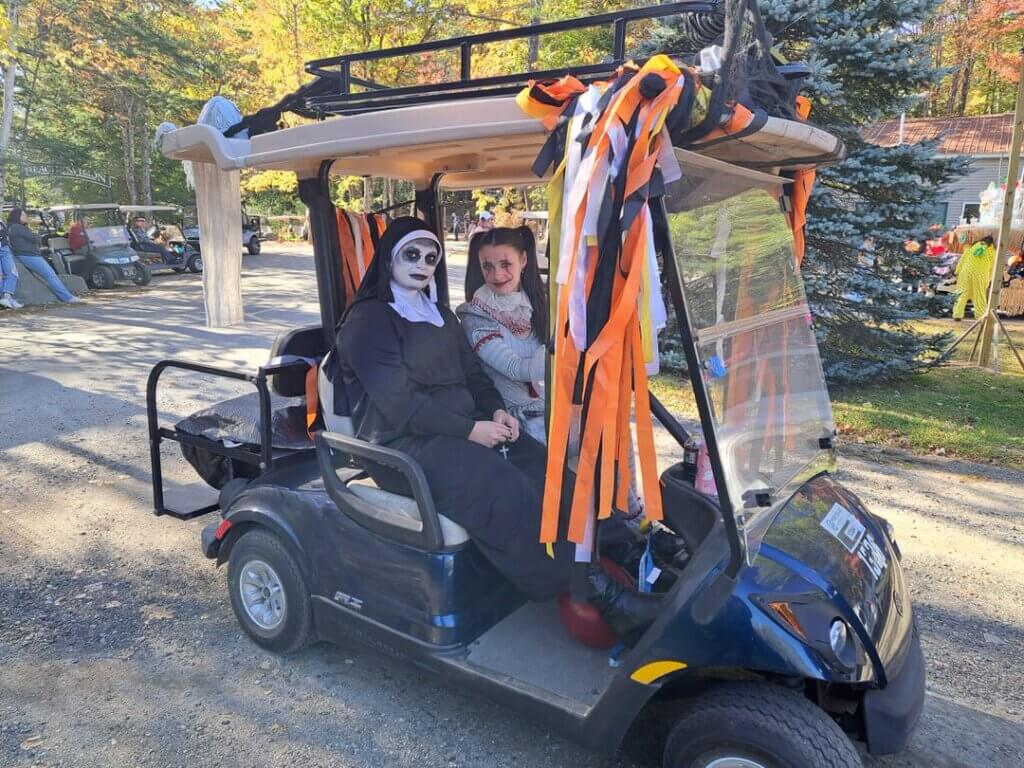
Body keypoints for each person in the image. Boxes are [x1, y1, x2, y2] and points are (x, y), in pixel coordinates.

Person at [336, 216, 660, 637]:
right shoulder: (369, 320)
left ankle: (627, 548)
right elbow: (400, 404)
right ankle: (596, 589)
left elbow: (474, 376)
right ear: (390, 258)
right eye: (412, 255)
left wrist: (494, 413)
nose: (422, 264)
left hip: (457, 430)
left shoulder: (438, 314)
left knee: (545, 467)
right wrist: (471, 431)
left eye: (431, 258)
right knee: (504, 483)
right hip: (403, 445)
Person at [456, 226, 548, 442]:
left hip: (550, 407)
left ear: (523, 260)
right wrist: (565, 347)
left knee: (610, 439)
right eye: (488, 266)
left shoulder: (538, 301)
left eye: (506, 264)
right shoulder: (475, 315)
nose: (497, 275)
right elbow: (517, 369)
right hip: (511, 418)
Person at [7, 207, 83, 304]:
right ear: (17, 216)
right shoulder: (18, 228)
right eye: (23, 215)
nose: (26, 216)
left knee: (49, 275)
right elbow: (36, 238)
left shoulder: (10, 227)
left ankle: (66, 296)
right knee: (51, 276)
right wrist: (37, 236)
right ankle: (67, 298)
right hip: (30, 256)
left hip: (23, 255)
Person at [953, 235, 996, 321]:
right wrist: (989, 278)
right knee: (979, 295)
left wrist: (957, 272)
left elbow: (962, 260)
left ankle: (957, 314)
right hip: (981, 274)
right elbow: (992, 267)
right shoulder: (992, 251)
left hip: (965, 272)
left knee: (961, 293)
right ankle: (980, 315)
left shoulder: (971, 247)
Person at [0, 216, 22, 309]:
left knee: (13, 273)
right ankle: (5, 299)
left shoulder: (1, 222)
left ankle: (7, 297)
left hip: (4, 248)